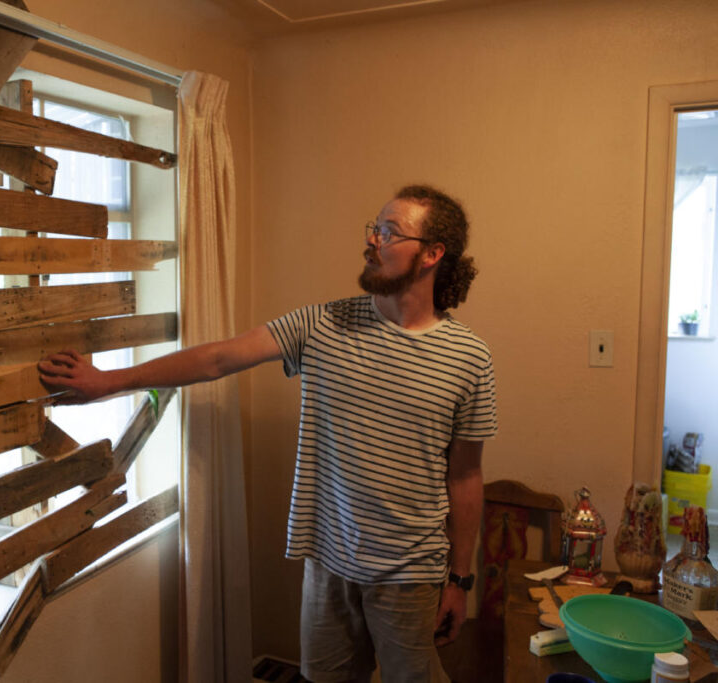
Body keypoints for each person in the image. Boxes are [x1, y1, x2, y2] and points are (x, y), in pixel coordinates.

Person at [38, 184, 498, 683]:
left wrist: (460, 579)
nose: (372, 239)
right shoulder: (323, 324)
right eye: (374, 227)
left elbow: (465, 477)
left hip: (411, 575)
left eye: (389, 232)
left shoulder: (469, 358)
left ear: (432, 254)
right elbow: (217, 359)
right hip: (328, 564)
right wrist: (109, 381)